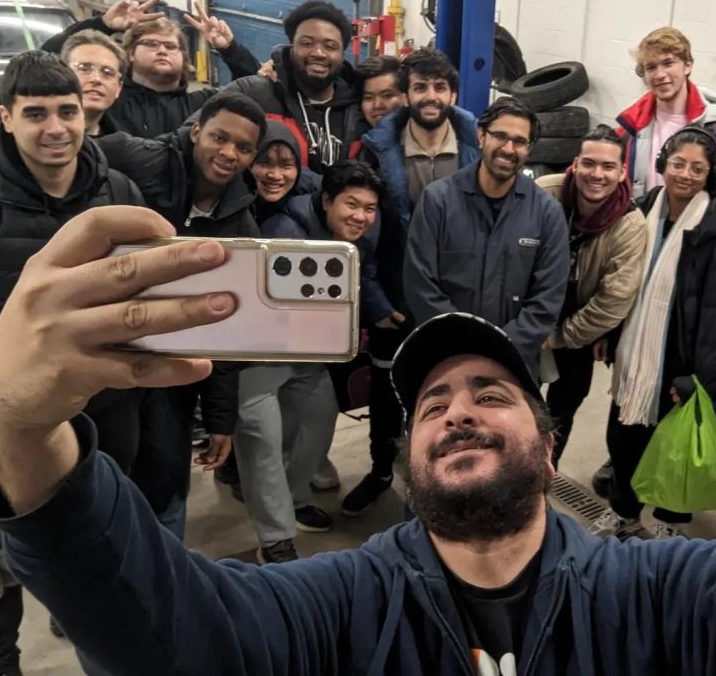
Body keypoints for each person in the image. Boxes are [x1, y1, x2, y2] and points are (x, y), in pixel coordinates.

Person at [0, 199, 716, 675]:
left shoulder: (659, 597)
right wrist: (22, 429)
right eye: (432, 405)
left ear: (548, 431)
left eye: (489, 391)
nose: (458, 410)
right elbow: (162, 629)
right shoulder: (333, 607)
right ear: (404, 457)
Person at [0, 51, 144, 675]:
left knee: (86, 546)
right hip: (5, 411)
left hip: (103, 407)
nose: (55, 127)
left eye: (67, 111)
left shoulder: (119, 193)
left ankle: (72, 606)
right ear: (5, 117)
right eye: (35, 114)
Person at [96, 93, 266, 540]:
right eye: (219, 138)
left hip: (171, 368)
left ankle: (161, 578)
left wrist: (220, 419)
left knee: (167, 476)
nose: (229, 153)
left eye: (243, 148)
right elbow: (79, 148)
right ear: (196, 132)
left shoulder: (240, 224)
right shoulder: (144, 160)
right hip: (108, 348)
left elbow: (229, 333)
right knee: (98, 474)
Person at [342, 48, 481, 516]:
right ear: (407, 93)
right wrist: (375, 300)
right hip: (396, 298)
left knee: (447, 391)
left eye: (439, 87)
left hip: (453, 296)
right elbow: (360, 229)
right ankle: (382, 470)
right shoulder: (379, 149)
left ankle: (441, 484)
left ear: (452, 94)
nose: (430, 96)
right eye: (420, 86)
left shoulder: (474, 146)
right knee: (387, 392)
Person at [589, 126, 716, 540]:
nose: (685, 175)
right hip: (636, 354)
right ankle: (624, 513)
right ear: (662, 166)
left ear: (711, 174)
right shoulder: (640, 212)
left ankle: (672, 525)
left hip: (680, 359)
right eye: (678, 164)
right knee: (624, 440)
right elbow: (621, 281)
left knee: (673, 449)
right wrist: (610, 329)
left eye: (698, 168)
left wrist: (700, 382)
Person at [234, 162, 384, 564]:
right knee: (264, 443)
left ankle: (295, 500)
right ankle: (275, 537)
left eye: (370, 208)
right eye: (352, 204)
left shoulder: (360, 236)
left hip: (307, 355)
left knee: (319, 419)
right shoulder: (285, 232)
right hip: (257, 357)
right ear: (327, 200)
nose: (361, 216)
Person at [404, 96, 569, 380]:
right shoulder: (438, 200)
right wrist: (463, 345)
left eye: (519, 141)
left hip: (514, 364)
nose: (508, 149)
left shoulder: (547, 213)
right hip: (444, 359)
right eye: (500, 136)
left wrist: (499, 349)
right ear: (481, 136)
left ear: (528, 149)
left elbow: (547, 299)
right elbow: (420, 284)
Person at [536, 125, 647, 464]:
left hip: (579, 328)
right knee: (510, 400)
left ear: (622, 171)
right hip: (528, 312)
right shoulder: (543, 194)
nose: (596, 174)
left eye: (608, 166)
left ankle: (541, 480)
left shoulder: (630, 225)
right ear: (575, 163)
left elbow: (612, 302)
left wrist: (558, 338)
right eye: (589, 163)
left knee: (559, 414)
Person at [616, 26, 716, 243]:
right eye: (651, 67)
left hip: (701, 244)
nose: (660, 74)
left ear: (687, 65)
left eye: (668, 63)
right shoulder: (629, 129)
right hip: (641, 238)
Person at [43, 0, 260, 137]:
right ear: (130, 54)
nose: (162, 50)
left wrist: (230, 49)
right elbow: (45, 61)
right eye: (151, 44)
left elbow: (254, 91)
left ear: (184, 58)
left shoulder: (202, 104)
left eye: (170, 46)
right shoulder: (109, 100)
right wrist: (102, 25)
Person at [220, 0, 361, 170]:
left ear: (342, 54)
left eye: (330, 46)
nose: (318, 53)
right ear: (292, 47)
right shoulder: (255, 93)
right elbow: (201, 132)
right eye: (306, 43)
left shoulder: (360, 106)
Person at [59, 29, 126, 137]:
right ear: (61, 74)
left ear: (119, 88)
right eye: (84, 68)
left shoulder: (126, 148)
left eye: (107, 73)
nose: (96, 79)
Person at [348, 54, 406, 157]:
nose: (377, 105)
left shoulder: (420, 142)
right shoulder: (354, 148)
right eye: (368, 98)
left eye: (387, 96)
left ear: (405, 97)